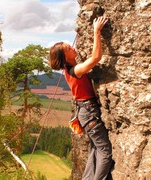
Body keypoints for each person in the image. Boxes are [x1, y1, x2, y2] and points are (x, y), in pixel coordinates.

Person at [49, 16, 114, 180]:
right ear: (65, 57)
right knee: (104, 150)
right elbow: (95, 58)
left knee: (95, 149)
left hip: (85, 112)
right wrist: (96, 31)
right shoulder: (75, 70)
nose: (72, 47)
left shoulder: (70, 68)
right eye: (68, 48)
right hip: (89, 112)